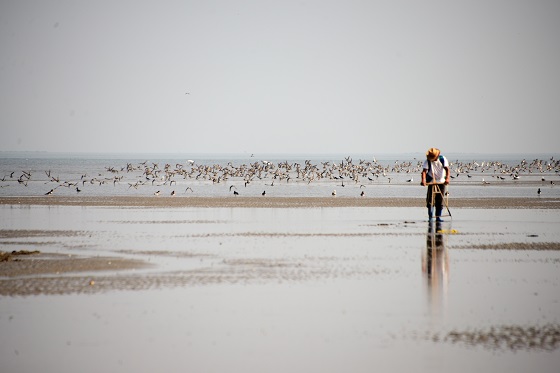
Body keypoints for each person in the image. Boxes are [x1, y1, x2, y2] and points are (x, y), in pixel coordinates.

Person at [420, 147, 450, 222]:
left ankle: (438, 217)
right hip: (431, 180)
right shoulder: (428, 161)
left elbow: (447, 169)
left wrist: (447, 179)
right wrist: (423, 180)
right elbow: (424, 171)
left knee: (439, 200)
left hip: (441, 181)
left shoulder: (442, 159)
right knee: (430, 199)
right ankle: (430, 217)